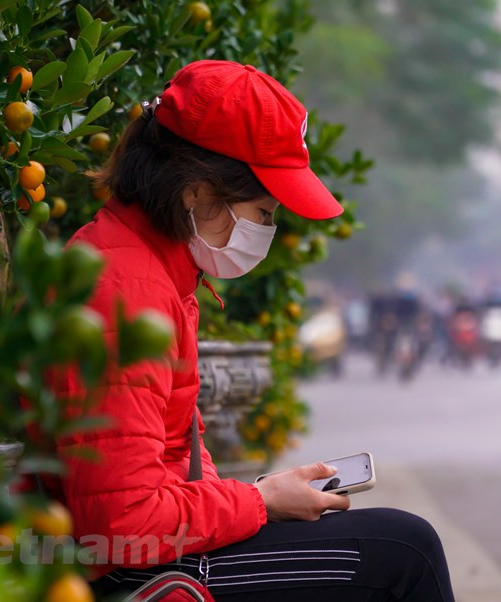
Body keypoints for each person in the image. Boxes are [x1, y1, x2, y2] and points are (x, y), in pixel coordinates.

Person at [48, 60, 455, 601]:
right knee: (406, 551)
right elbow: (123, 527)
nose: (267, 230)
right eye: (263, 212)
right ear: (196, 192)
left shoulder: (151, 267)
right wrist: (259, 501)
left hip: (148, 554)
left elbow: (167, 461)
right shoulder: (125, 291)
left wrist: (256, 496)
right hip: (128, 578)